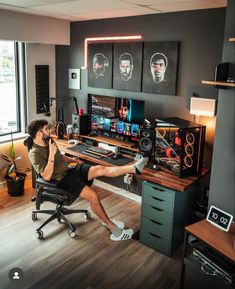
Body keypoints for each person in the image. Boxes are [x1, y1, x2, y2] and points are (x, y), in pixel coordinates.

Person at [26, 119, 148, 242]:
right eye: (47, 129)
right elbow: (46, 176)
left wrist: (74, 159)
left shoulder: (49, 142)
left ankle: (134, 168)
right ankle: (112, 228)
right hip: (60, 180)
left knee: (100, 168)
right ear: (39, 134)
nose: (50, 130)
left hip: (69, 171)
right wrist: (51, 154)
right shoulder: (35, 153)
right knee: (93, 196)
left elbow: (60, 157)